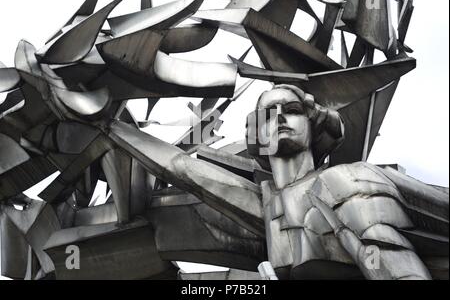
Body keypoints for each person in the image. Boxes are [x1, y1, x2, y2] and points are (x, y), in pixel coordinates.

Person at [107, 84, 449, 280]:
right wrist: (106, 124)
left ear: (314, 125)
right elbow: (184, 169)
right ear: (258, 132)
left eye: (293, 109)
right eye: (269, 114)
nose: (281, 117)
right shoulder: (270, 202)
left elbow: (399, 269)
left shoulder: (347, 181)